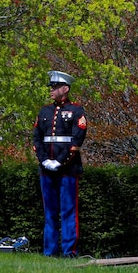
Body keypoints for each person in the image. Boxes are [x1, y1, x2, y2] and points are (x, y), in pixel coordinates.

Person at [32, 70, 87, 257]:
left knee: (68, 212)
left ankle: (69, 252)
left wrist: (59, 162)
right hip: (46, 170)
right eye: (51, 87)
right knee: (50, 213)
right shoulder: (44, 111)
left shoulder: (76, 111)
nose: (51, 90)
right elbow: (37, 138)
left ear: (66, 88)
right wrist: (44, 160)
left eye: (55, 87)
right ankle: (49, 252)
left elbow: (76, 141)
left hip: (68, 170)